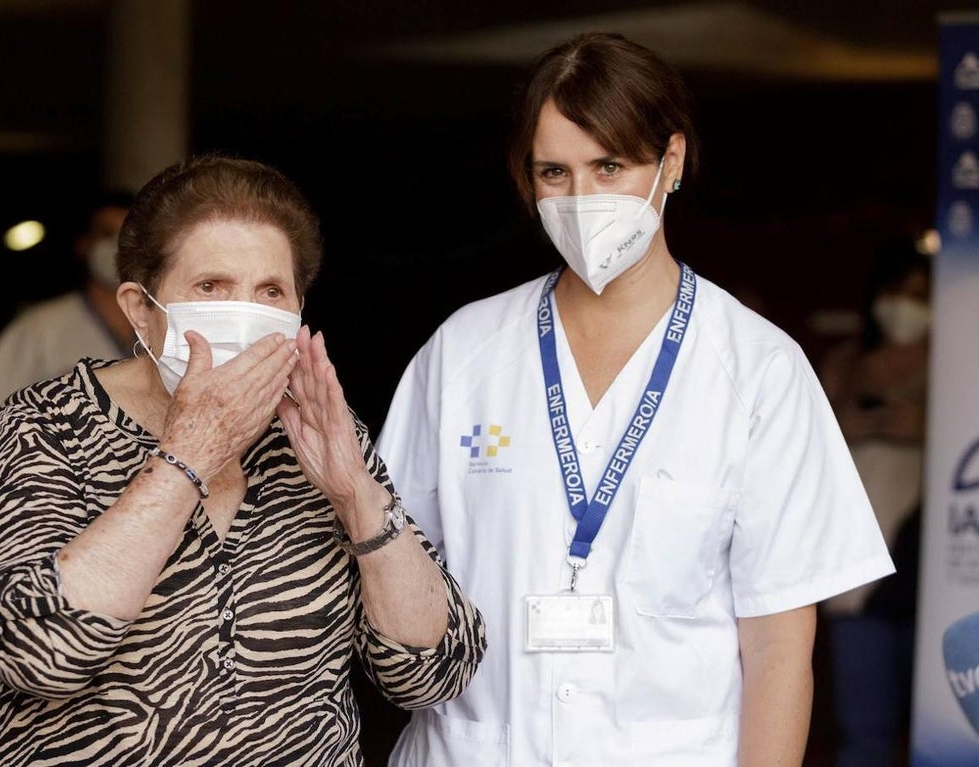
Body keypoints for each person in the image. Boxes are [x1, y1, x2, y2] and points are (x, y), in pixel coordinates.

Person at [374, 31, 895, 766]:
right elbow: (394, 570)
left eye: (609, 166)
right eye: (554, 172)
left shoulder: (758, 371)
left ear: (670, 163)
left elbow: (779, 647)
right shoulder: (463, 354)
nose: (581, 198)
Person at [0, 153, 486, 767]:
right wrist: (190, 453)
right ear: (141, 309)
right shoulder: (49, 422)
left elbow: (435, 673)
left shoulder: (317, 431)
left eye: (270, 291)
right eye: (211, 287)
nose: (244, 312)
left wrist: (358, 497)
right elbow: (38, 654)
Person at [818, 237, 931, 767]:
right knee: (864, 735)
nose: (905, 305)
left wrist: (928, 425)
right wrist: (853, 421)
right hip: (856, 568)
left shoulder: (957, 363)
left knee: (946, 727)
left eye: (920, 294)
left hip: (936, 564)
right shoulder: (844, 362)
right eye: (896, 292)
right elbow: (805, 443)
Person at [0, 190, 137, 474]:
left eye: (126, 235)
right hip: (64, 505)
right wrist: (4, 494)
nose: (116, 246)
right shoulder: (44, 325)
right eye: (105, 234)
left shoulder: (163, 324)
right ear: (83, 245)